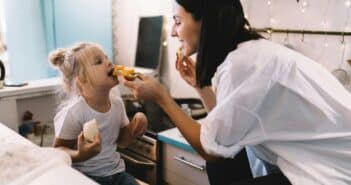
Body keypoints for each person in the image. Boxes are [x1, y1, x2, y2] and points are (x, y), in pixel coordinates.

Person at [122, 0, 351, 184]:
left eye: (178, 21)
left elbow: (210, 149)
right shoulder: (246, 55)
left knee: (217, 161)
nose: (172, 32)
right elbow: (224, 132)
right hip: (317, 159)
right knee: (221, 165)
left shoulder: (243, 64)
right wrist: (200, 87)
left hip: (333, 169)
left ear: (205, 21)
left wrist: (161, 96)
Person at [50, 42, 148, 185]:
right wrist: (80, 154)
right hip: (84, 177)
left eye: (107, 58)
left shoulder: (116, 103)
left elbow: (123, 142)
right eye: (99, 61)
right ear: (82, 79)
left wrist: (136, 123)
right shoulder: (74, 112)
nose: (108, 62)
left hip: (117, 174)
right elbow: (58, 151)